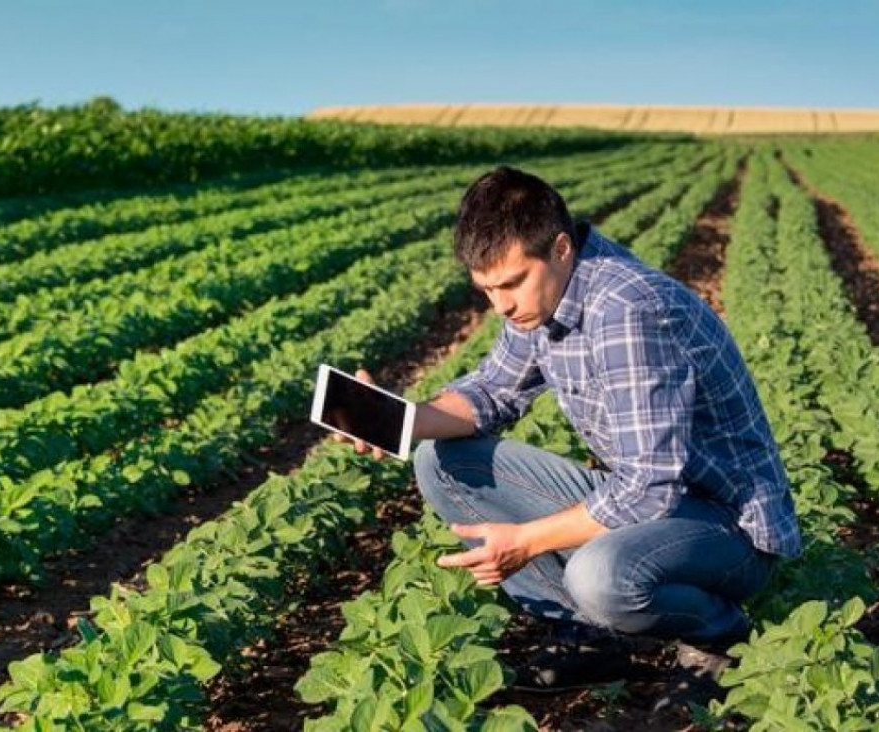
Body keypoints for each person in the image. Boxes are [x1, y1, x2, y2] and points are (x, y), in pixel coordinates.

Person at [341, 165, 802, 701]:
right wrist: (397, 417)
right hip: (654, 507)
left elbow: (651, 488)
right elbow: (492, 390)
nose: (503, 306)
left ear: (560, 249)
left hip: (727, 529)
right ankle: (591, 637)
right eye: (487, 289)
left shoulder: (627, 312)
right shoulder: (544, 299)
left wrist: (525, 543)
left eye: (512, 283)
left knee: (598, 576)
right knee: (442, 463)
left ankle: (718, 636)